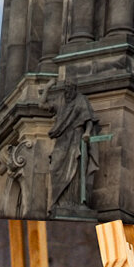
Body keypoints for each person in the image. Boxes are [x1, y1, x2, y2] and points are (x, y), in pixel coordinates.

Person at [46, 81, 98, 210]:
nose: (67, 92)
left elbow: (89, 119)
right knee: (55, 168)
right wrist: (47, 88)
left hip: (76, 137)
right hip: (62, 139)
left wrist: (87, 132)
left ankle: (75, 202)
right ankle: (59, 201)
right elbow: (42, 104)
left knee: (75, 168)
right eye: (66, 90)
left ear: (74, 90)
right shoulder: (61, 102)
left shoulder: (81, 100)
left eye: (70, 89)